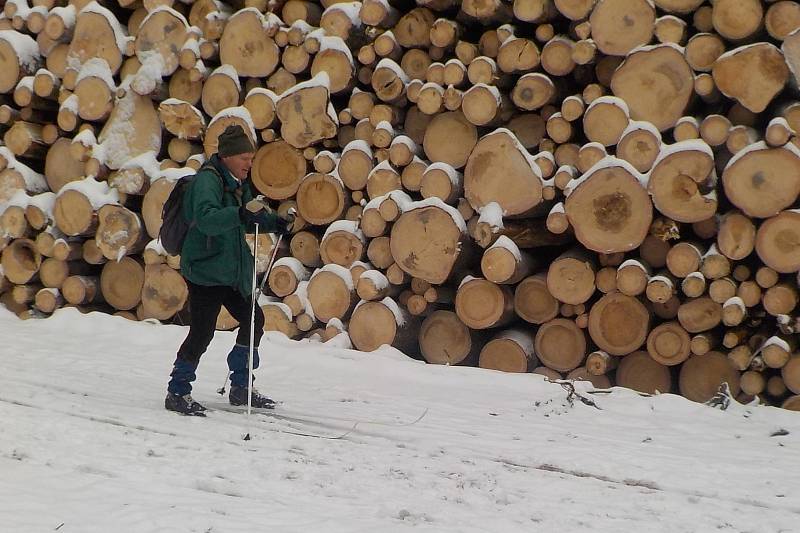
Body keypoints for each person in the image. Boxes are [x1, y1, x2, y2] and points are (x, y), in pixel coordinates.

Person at [165, 124, 292, 416]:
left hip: (230, 271)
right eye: (245, 158)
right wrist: (239, 213)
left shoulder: (236, 181)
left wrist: (275, 223)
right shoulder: (207, 182)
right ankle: (177, 391)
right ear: (227, 156)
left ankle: (241, 388)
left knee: (253, 319)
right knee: (202, 332)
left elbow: (249, 215)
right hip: (205, 271)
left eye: (251, 157)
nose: (250, 164)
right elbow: (208, 219)